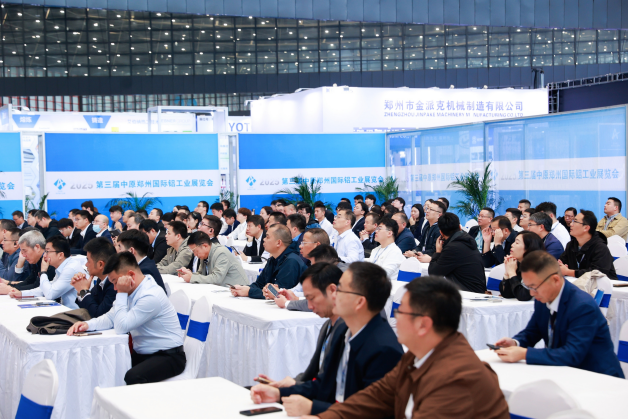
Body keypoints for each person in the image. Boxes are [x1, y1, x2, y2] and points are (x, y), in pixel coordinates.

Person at [302, 276, 510, 419]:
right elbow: (374, 398)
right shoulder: (415, 357)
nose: (395, 319)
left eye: (401, 312)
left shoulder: (457, 380)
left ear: (423, 325)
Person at [250, 262, 403, 416]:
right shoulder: (344, 331)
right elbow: (324, 384)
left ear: (360, 302)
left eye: (340, 290)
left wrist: (313, 408)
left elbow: (371, 413)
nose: (333, 294)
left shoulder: (383, 349)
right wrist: (279, 394)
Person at [495, 250, 624, 378]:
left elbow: (572, 354)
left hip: (598, 377)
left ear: (555, 280)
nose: (532, 293)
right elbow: (532, 331)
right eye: (528, 287)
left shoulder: (583, 306)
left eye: (534, 287)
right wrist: (515, 343)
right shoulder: (543, 297)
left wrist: (525, 354)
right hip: (564, 373)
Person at [67, 252, 186, 384]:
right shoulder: (133, 290)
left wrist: (122, 293)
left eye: (115, 282)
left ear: (130, 275)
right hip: (144, 353)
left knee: (132, 376)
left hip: (169, 356)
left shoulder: (150, 295)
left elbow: (121, 327)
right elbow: (111, 317)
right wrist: (88, 325)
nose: (115, 288)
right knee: (109, 366)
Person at [231, 224, 307, 299]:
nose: (264, 239)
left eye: (267, 237)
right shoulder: (273, 259)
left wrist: (249, 291)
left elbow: (278, 294)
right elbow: (259, 284)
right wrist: (242, 288)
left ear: (278, 243)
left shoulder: (291, 262)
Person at [9, 236, 84, 308]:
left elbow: (50, 294)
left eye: (47, 252)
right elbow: (44, 289)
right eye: (45, 251)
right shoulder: (63, 266)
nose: (44, 255)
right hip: (67, 310)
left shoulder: (70, 269)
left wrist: (43, 272)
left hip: (76, 312)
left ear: (60, 255)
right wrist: (22, 294)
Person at [428, 212, 487, 293]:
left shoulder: (453, 247)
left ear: (441, 232)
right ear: (460, 227)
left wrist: (438, 252)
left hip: (468, 292)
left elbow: (433, 273)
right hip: (475, 290)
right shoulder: (466, 240)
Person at [559, 210, 617, 280]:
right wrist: (560, 266)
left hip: (604, 285)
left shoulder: (600, 247)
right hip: (578, 283)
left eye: (575, 221)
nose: (571, 224)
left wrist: (568, 272)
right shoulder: (571, 245)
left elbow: (597, 273)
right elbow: (562, 263)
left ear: (586, 228)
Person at [178, 231, 248, 286]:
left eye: (195, 251)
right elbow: (201, 274)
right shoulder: (204, 255)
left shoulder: (221, 253)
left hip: (240, 292)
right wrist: (188, 274)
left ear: (205, 246)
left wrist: (192, 277)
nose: (195, 255)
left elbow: (216, 279)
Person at [71, 238, 117, 317]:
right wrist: (81, 290)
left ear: (100, 264)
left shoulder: (114, 285)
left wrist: (84, 291)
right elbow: (89, 307)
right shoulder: (101, 279)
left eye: (88, 261)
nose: (86, 264)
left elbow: (98, 315)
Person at [499, 231, 546, 301]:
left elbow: (523, 296)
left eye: (517, 243)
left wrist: (512, 272)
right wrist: (507, 272)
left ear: (529, 248)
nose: (512, 245)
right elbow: (506, 294)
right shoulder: (518, 265)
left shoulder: (536, 268)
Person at [117, 229, 166, 293]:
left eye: (120, 247)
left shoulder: (144, 271)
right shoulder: (146, 263)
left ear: (131, 251)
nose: (118, 251)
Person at [367, 216, 405, 281]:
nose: (376, 231)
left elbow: (384, 274)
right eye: (376, 229)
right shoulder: (375, 250)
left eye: (379, 229)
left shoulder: (394, 251)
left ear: (389, 233)